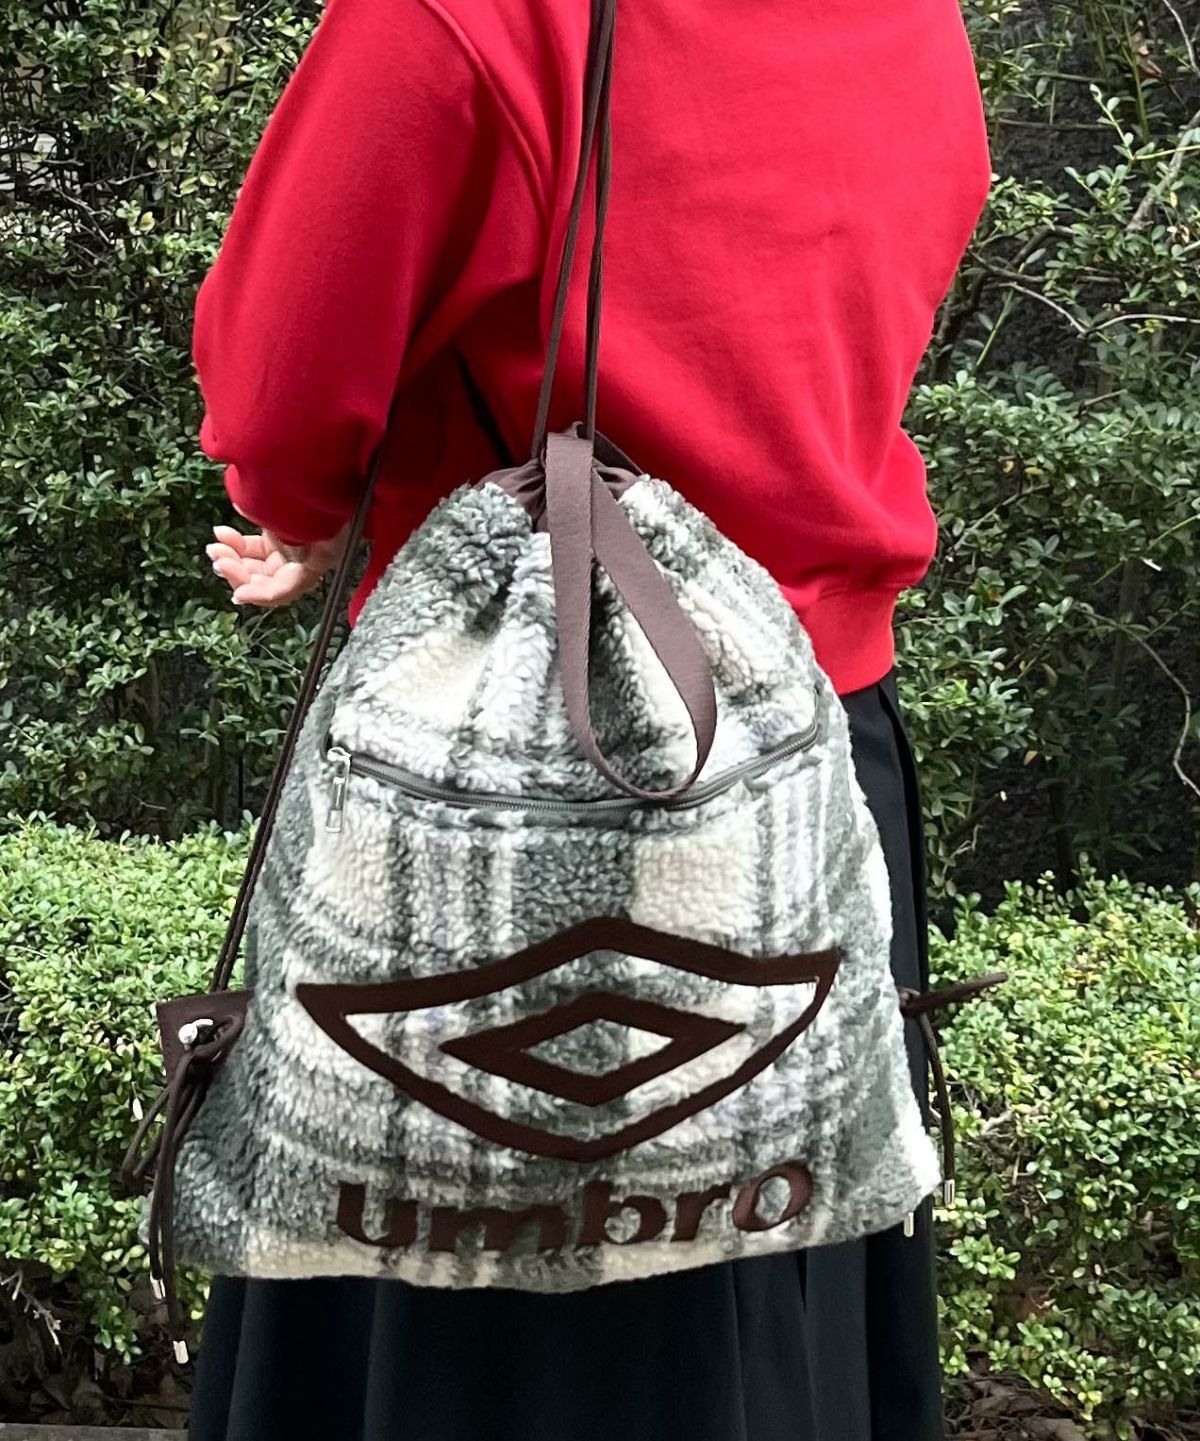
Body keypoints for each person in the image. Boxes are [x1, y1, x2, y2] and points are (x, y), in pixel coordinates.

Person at [194, 1, 992, 1437]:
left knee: (457, 1286)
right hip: (813, 780)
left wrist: (305, 509)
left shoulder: (472, 17)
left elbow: (281, 386)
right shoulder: (917, 16)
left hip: (514, 779)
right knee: (776, 1247)